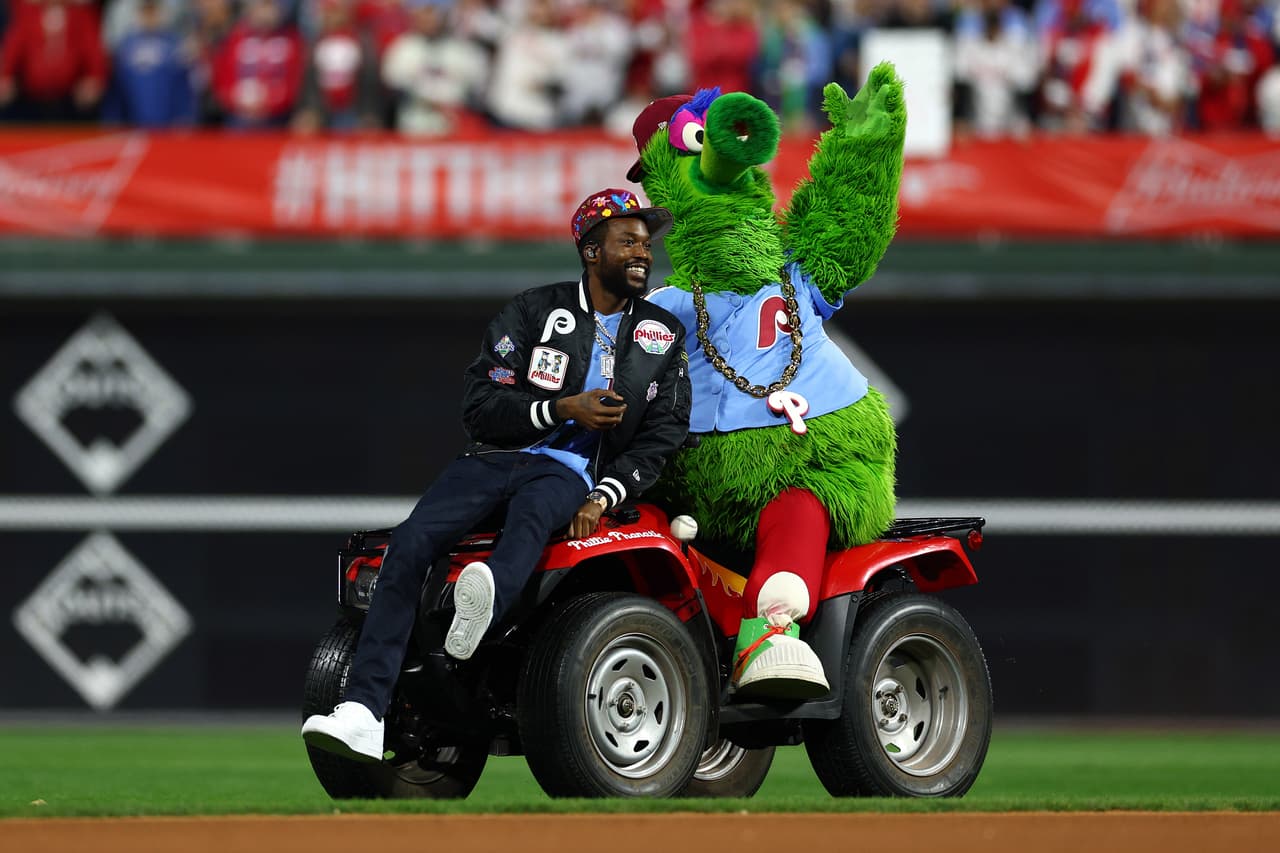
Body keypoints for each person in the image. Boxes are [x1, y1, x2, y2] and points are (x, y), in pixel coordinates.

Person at [301, 188, 692, 762]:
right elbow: (479, 404)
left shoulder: (662, 334)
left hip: (571, 471)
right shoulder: (533, 311)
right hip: (490, 459)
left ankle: (481, 605)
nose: (642, 253)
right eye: (627, 242)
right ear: (590, 250)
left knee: (532, 521)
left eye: (645, 244)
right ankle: (361, 712)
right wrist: (563, 408)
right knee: (409, 542)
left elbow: (664, 434)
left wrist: (607, 493)